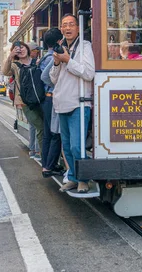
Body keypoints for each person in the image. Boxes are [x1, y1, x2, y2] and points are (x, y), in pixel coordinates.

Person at [50, 14, 95, 193]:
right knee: (67, 146)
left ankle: (84, 179)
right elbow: (53, 79)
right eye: (64, 25)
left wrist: (68, 60)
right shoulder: (61, 48)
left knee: (77, 145)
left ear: (78, 27)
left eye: (71, 24)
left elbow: (89, 73)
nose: (67, 28)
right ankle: (74, 178)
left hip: (79, 103)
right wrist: (56, 62)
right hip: (61, 103)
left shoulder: (84, 46)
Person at [2, 41, 44, 159]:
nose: (20, 50)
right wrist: (10, 56)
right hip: (24, 101)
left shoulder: (38, 62)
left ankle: (42, 153)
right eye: (17, 49)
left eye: (22, 47)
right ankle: (43, 156)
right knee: (40, 127)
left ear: (27, 48)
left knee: (44, 127)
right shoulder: (15, 65)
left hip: (40, 99)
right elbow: (5, 72)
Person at [39, 28, 64, 177]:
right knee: (56, 133)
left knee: (48, 133)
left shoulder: (43, 57)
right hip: (52, 97)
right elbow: (46, 78)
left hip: (46, 99)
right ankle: (50, 166)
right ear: (58, 42)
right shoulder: (52, 58)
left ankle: (45, 165)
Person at [27, 41, 41, 159]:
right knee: (37, 125)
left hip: (28, 99)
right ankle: (36, 151)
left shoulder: (24, 62)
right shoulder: (32, 63)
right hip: (33, 99)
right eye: (36, 51)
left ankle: (32, 149)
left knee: (32, 125)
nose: (38, 53)